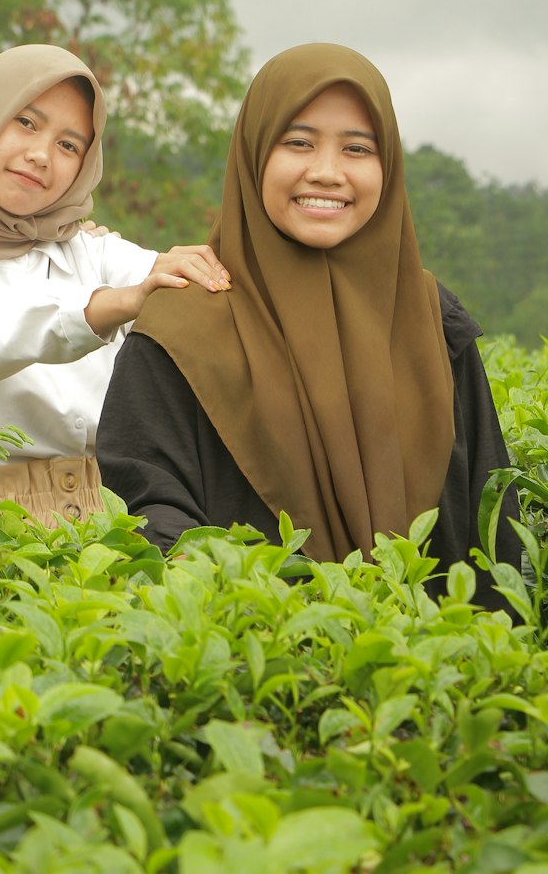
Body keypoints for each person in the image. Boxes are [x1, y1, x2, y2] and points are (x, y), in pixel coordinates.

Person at [96, 42, 520, 607]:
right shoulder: (183, 328)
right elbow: (148, 515)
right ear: (253, 155)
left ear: (387, 167)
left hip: (432, 674)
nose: (326, 172)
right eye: (297, 142)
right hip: (255, 668)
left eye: (357, 148)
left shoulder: (430, 320)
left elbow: (492, 529)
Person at [0, 43, 229, 526]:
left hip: (117, 517)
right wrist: (108, 306)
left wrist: (192, 271)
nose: (40, 155)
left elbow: (179, 288)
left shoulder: (93, 252)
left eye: (69, 144)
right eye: (26, 123)